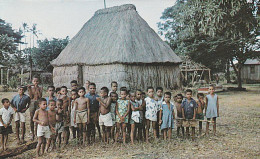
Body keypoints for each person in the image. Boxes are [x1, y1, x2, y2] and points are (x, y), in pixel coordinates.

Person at [28, 76, 43, 141]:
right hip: (32, 102)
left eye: (37, 81)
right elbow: (31, 96)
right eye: (34, 81)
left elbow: (40, 96)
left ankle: (37, 133)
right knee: (31, 118)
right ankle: (32, 134)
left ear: (38, 82)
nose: (35, 82)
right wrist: (29, 89)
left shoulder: (40, 88)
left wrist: (37, 89)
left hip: (38, 103)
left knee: (37, 118)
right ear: (32, 82)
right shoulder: (31, 88)